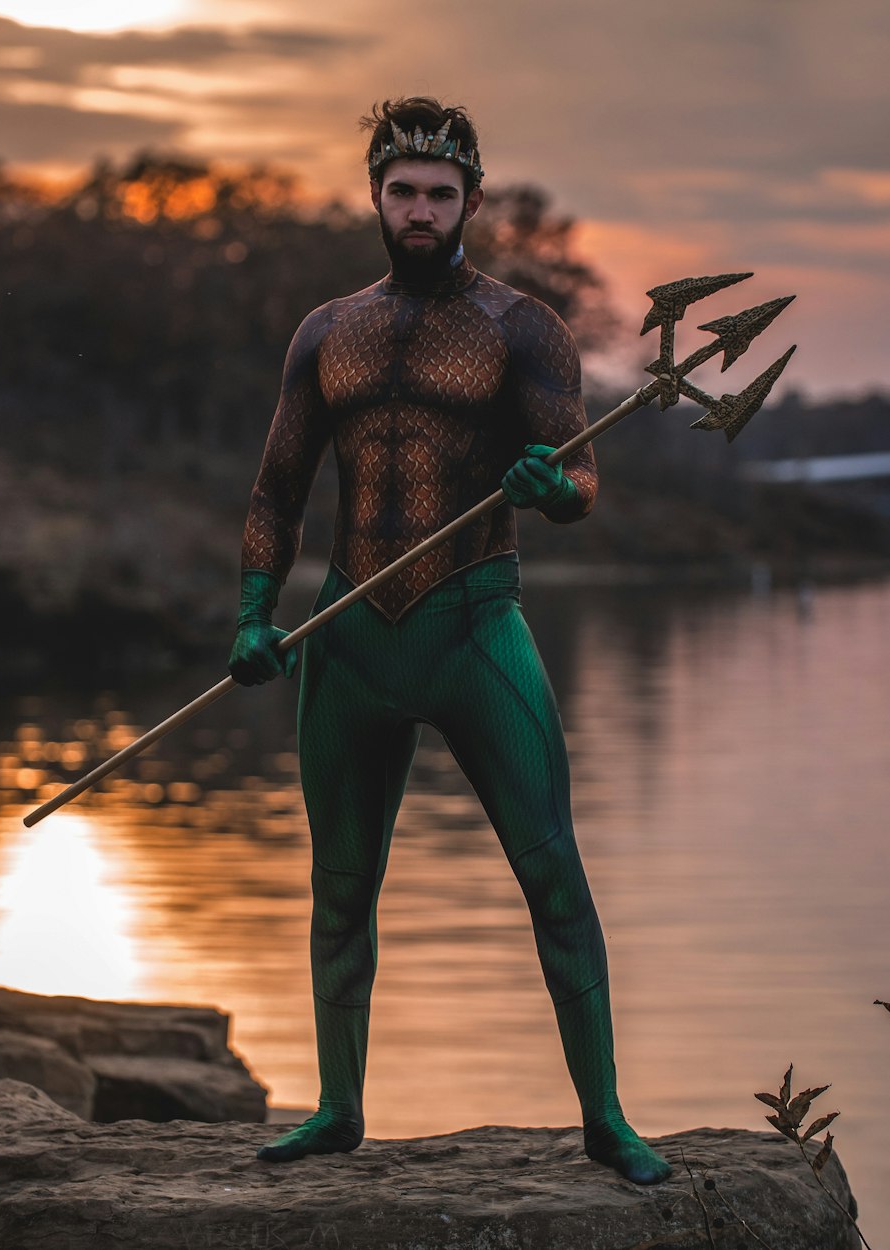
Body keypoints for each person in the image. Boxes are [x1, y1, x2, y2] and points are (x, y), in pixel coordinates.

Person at [228, 96, 671, 1185]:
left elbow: (579, 477)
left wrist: (547, 483)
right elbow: (277, 487)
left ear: (469, 201)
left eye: (439, 193)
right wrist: (250, 612)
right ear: (376, 198)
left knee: (553, 875)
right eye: (401, 191)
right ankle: (337, 1107)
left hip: (474, 624)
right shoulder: (326, 330)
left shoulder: (524, 326)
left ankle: (607, 1118)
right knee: (341, 887)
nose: (419, 209)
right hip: (345, 632)